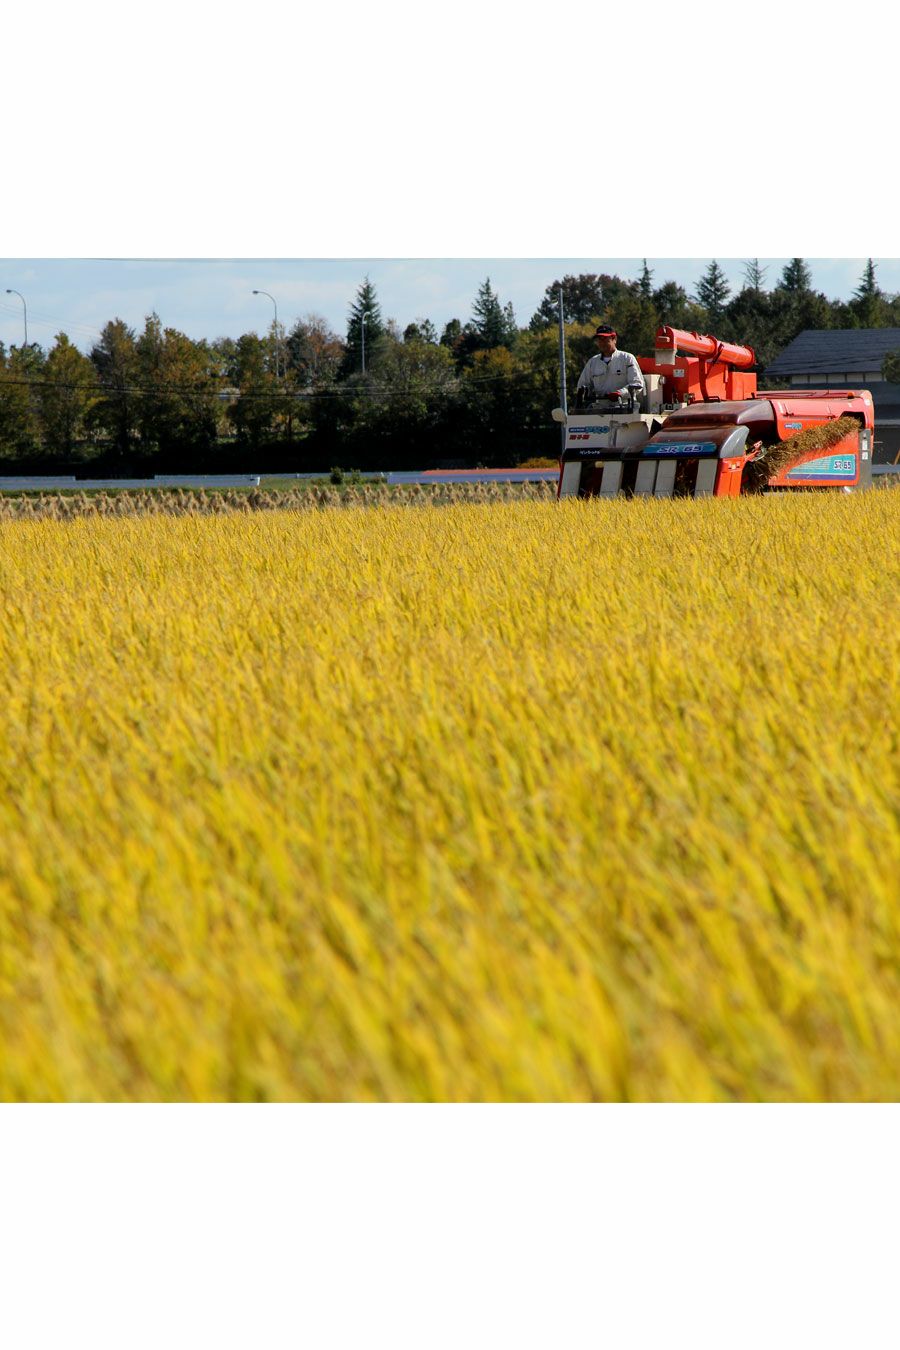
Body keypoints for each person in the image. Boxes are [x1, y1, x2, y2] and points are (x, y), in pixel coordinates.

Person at [575, 325, 645, 407]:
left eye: (605, 339)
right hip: (600, 409)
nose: (601, 342)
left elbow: (637, 384)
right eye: (599, 339)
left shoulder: (627, 358)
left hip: (625, 407)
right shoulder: (592, 362)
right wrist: (585, 393)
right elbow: (582, 386)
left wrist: (620, 393)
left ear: (614, 339)